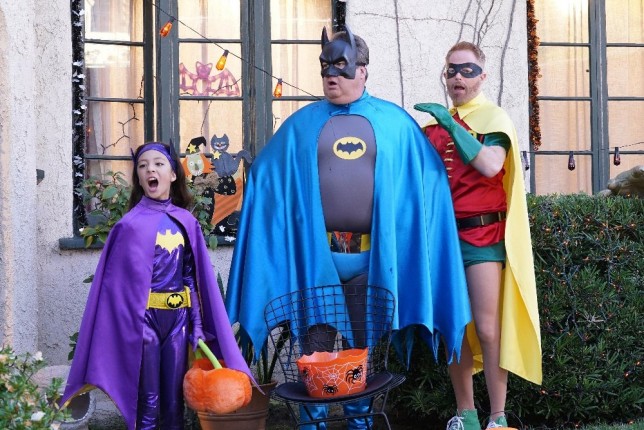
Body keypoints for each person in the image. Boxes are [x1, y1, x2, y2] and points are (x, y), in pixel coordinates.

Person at [226, 26, 471, 430]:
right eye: (325, 66)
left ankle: (360, 423)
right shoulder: (300, 126)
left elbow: (428, 183)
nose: (330, 75)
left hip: (370, 261)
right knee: (316, 350)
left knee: (363, 351)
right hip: (317, 258)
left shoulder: (394, 124)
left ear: (363, 70)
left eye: (340, 66)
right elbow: (266, 178)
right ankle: (314, 424)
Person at [60, 142, 254, 430]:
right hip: (144, 324)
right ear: (139, 178)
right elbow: (116, 290)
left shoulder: (186, 222)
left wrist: (197, 325)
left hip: (178, 322)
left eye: (158, 164)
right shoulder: (129, 226)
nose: (150, 169)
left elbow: (190, 278)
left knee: (175, 402)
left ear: (173, 174)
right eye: (143, 166)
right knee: (148, 401)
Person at [414, 42, 542, 430]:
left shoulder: (494, 119)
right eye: (452, 70)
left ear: (482, 76)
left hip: (482, 236)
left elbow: (490, 165)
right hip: (443, 241)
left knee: (487, 329)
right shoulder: (432, 128)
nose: (458, 77)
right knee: (453, 328)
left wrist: (452, 125)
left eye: (467, 70)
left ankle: (497, 417)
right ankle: (466, 414)